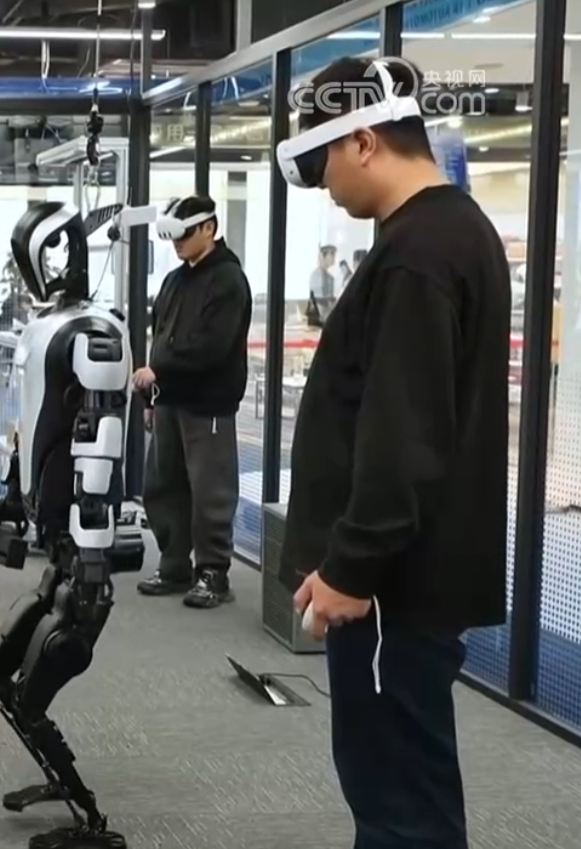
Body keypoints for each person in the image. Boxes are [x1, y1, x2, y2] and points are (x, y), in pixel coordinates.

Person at [279, 57, 509, 849]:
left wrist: (350, 567)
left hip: (391, 590)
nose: (326, 187)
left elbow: (402, 436)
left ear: (365, 141)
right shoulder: (449, 232)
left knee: (398, 806)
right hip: (410, 580)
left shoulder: (417, 252)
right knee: (409, 790)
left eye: (326, 162)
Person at [132, 195, 253, 609]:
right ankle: (174, 564)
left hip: (207, 404)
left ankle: (213, 572)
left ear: (209, 228)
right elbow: (160, 339)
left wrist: (160, 372)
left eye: (185, 234)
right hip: (168, 400)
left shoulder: (228, 280)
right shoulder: (174, 281)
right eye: (173, 237)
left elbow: (212, 347)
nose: (177, 243)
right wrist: (151, 397)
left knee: (210, 491)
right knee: (163, 485)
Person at [307, 244, 338, 327]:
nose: (334, 258)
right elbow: (319, 300)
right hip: (320, 320)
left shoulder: (330, 277)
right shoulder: (316, 276)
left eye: (334, 255)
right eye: (331, 254)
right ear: (323, 256)